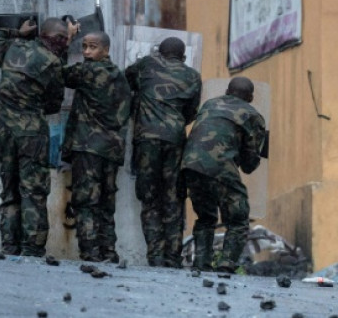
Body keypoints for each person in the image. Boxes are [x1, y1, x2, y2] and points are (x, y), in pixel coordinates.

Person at [0, 17, 77, 257]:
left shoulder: (13, 47)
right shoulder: (53, 61)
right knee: (33, 191)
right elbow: (54, 103)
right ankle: (31, 249)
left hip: (5, 131)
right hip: (32, 133)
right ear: (58, 40)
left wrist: (18, 32)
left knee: (10, 191)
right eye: (64, 39)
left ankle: (10, 247)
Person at [125, 37, 202, 267]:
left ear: (159, 52)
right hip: (176, 140)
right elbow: (191, 112)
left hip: (147, 139)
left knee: (149, 199)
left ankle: (155, 255)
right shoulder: (192, 76)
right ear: (183, 56)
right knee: (174, 198)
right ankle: (172, 256)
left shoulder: (147, 64)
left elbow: (127, 78)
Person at [181, 77, 266, 272]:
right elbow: (249, 165)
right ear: (251, 97)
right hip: (220, 167)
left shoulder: (210, 104)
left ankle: (201, 264)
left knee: (205, 217)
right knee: (238, 218)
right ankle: (226, 265)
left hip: (190, 166)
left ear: (227, 91)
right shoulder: (253, 115)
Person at [61, 31, 131, 262]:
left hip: (88, 146)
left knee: (86, 201)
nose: (87, 52)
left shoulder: (87, 71)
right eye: (84, 47)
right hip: (112, 149)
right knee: (106, 202)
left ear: (106, 50)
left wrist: (66, 40)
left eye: (92, 47)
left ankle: (90, 252)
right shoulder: (119, 75)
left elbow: (57, 72)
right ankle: (109, 251)